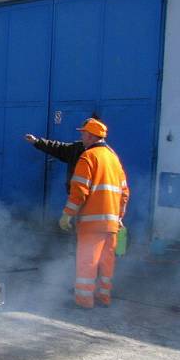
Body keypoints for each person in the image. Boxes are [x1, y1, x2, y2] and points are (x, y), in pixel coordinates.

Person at [59, 117, 129, 308]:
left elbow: (79, 190)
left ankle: (84, 301)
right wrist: (119, 218)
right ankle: (103, 298)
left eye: (83, 133)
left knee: (87, 263)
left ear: (90, 136)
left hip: (92, 224)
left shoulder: (88, 157)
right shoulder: (114, 159)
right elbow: (124, 193)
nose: (81, 137)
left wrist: (67, 215)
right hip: (112, 225)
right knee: (106, 263)